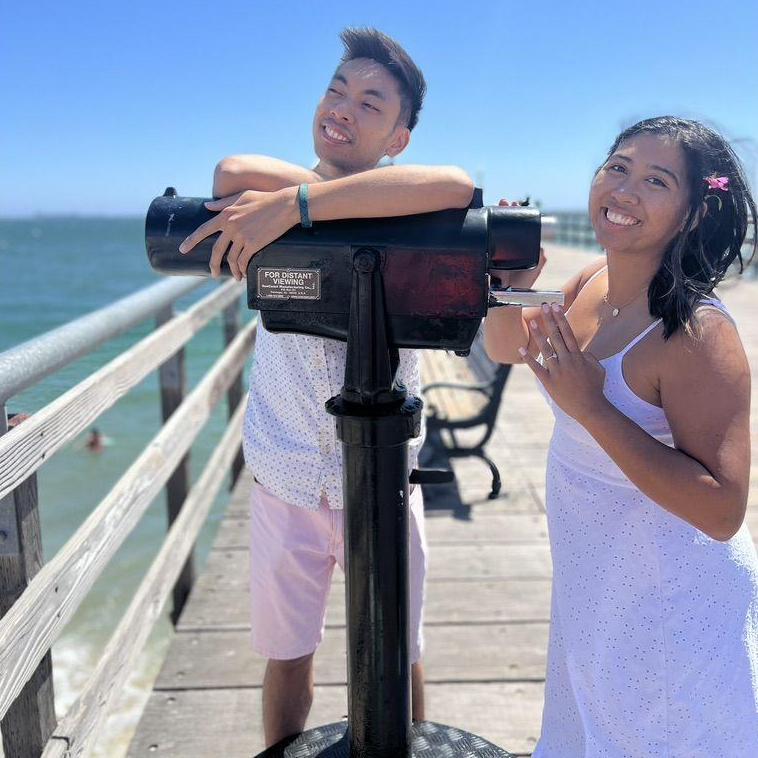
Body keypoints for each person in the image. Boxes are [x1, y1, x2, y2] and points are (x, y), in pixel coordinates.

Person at [180, 28, 475, 748]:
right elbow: (229, 168)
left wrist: (301, 209)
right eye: (337, 89)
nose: (344, 106)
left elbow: (459, 185)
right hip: (287, 471)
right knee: (288, 654)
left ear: (397, 139)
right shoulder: (268, 192)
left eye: (371, 101)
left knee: (400, 653)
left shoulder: (412, 209)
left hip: (382, 479)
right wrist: (305, 200)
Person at [485, 116, 758, 756]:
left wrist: (593, 408)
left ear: (693, 214)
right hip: (598, 588)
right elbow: (506, 351)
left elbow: (722, 510)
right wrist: (511, 289)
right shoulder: (590, 284)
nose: (625, 190)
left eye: (656, 181)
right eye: (618, 167)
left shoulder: (695, 332)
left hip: (673, 608)